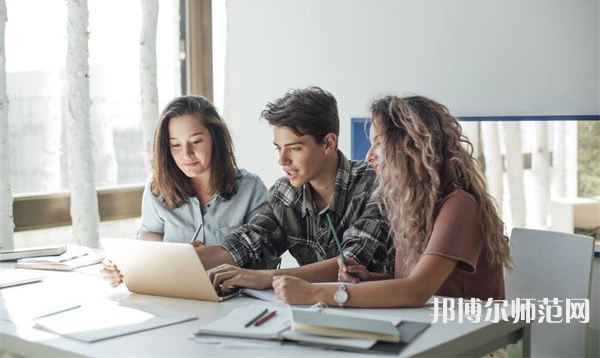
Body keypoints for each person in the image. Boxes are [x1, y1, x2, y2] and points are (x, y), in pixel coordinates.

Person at [272, 94, 513, 308]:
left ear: (410, 147)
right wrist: (369, 279)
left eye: (379, 143)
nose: (369, 156)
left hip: (473, 337)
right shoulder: (410, 205)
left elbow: (417, 291)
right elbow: (412, 285)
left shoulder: (459, 205)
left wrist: (314, 292)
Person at [198, 86, 394, 291]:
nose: (282, 160)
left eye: (294, 148)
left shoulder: (375, 183)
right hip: (312, 309)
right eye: (279, 148)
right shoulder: (285, 192)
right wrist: (179, 261)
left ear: (328, 143)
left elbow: (352, 264)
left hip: (377, 310)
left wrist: (266, 277)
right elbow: (246, 243)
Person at [102, 95, 268, 287]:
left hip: (236, 299)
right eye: (176, 145)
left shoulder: (251, 190)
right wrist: (125, 265)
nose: (186, 154)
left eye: (196, 142)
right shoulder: (158, 188)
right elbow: (149, 235)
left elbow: (264, 261)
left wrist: (208, 256)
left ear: (216, 138)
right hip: (175, 293)